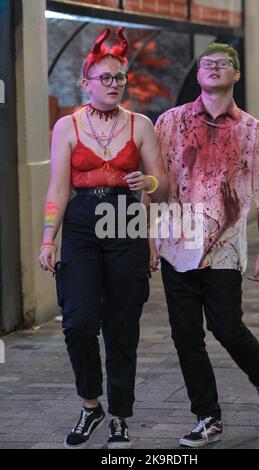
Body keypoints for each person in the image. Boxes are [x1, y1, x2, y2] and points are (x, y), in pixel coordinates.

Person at [38, 27, 168, 450]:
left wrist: (146, 180)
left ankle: (119, 416)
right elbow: (58, 187)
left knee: (122, 325)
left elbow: (164, 187)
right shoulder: (66, 126)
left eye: (120, 78)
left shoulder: (141, 124)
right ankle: (90, 404)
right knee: (77, 321)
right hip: (80, 221)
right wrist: (47, 239)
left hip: (126, 217)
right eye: (106, 78)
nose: (115, 85)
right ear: (87, 82)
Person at [150, 43, 259, 448]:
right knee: (186, 336)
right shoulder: (169, 122)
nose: (213, 68)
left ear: (236, 75)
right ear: (199, 73)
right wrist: (150, 240)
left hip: (225, 248)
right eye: (206, 63)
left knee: (226, 327)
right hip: (175, 245)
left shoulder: (253, 131)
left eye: (222, 63)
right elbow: (155, 187)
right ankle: (207, 417)